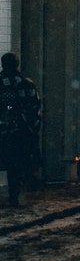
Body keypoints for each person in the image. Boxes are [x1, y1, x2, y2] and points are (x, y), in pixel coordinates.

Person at [0, 52, 41, 208]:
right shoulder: (26, 83)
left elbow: (6, 106)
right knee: (15, 167)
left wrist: (9, 110)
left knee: (9, 164)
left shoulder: (2, 83)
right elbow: (35, 106)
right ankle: (14, 197)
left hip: (5, 130)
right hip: (22, 132)